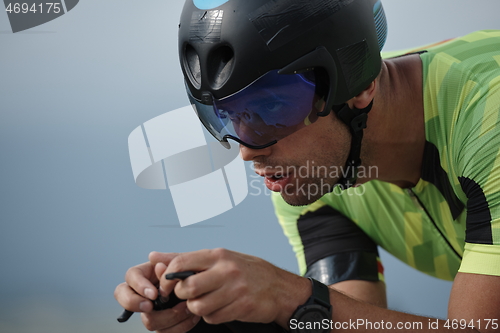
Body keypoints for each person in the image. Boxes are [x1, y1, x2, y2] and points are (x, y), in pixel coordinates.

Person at [114, 0, 500, 332]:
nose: (248, 151)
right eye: (228, 117)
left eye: (271, 109)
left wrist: (288, 294)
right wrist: (217, 316)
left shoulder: (488, 119)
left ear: (361, 85)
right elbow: (350, 319)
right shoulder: (310, 171)